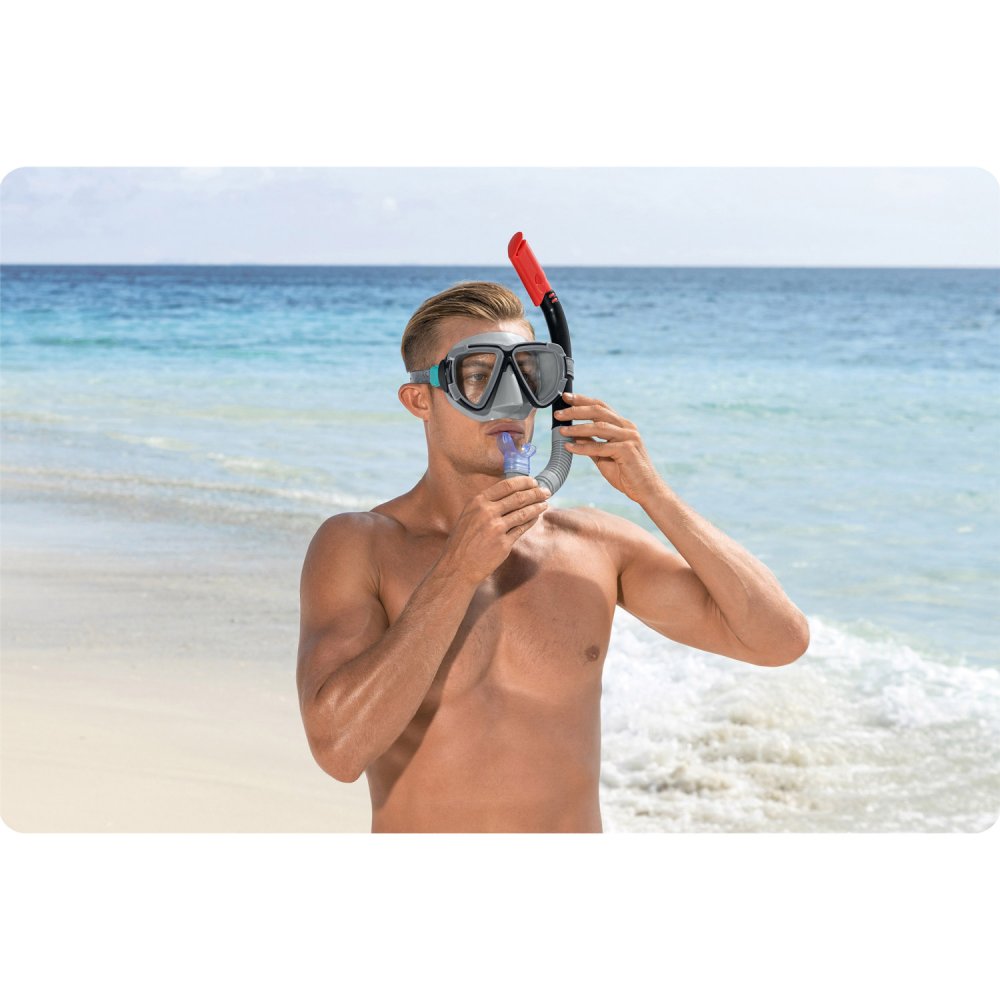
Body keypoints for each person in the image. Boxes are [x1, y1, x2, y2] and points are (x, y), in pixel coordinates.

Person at [296, 281, 809, 833]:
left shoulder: (594, 545)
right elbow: (339, 751)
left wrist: (654, 494)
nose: (510, 399)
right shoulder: (362, 546)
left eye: (528, 374)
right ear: (421, 399)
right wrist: (456, 572)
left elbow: (779, 640)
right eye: (478, 376)